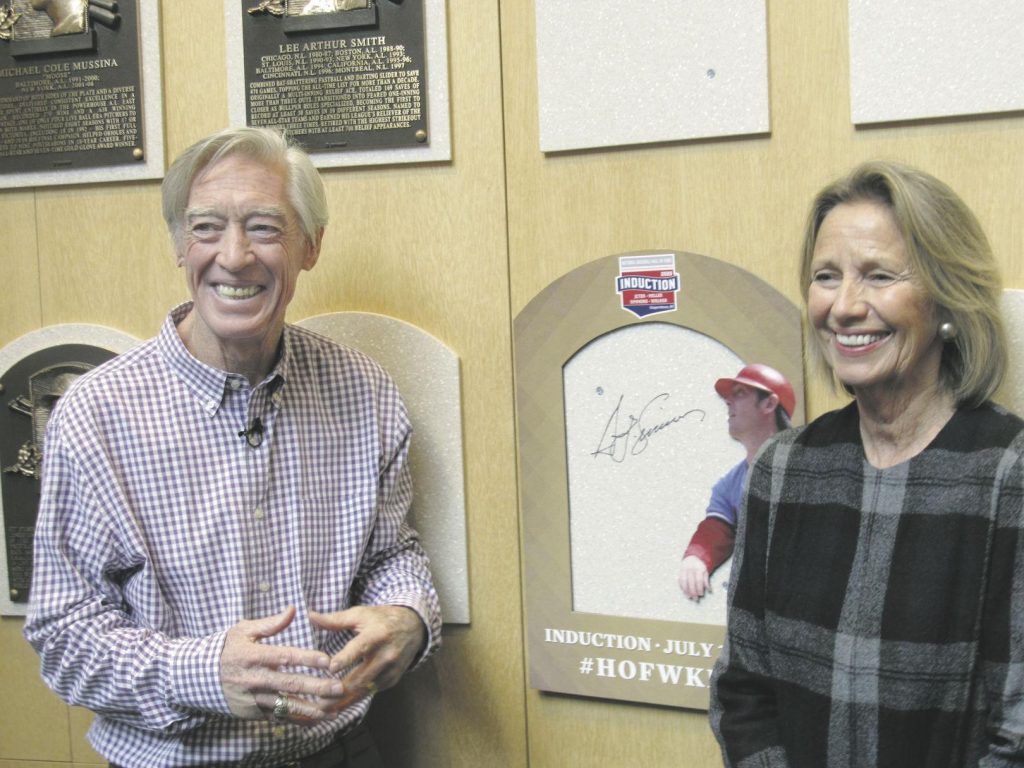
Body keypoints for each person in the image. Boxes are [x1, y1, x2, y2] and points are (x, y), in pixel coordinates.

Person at [24, 127, 441, 768]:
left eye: (265, 228)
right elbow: (64, 639)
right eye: (207, 227)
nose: (235, 255)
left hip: (339, 751)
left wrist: (409, 617)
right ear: (177, 244)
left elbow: (392, 553)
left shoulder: (363, 391)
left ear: (311, 245)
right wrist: (203, 672)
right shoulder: (95, 415)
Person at [710, 160, 1024, 767]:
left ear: (946, 299)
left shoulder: (1008, 472)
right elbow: (744, 693)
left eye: (879, 276)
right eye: (826, 277)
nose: (845, 306)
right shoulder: (782, 468)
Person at [677, 364, 794, 600]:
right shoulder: (729, 485)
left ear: (769, 404)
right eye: (728, 396)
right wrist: (696, 557)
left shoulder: (813, 466)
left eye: (740, 393)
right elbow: (717, 529)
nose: (728, 401)